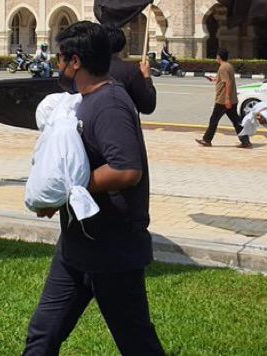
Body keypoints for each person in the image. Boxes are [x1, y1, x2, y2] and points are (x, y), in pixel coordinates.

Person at [24, 22, 164, 354]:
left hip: (113, 248)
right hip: (78, 246)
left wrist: (68, 192)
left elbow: (126, 170)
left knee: (137, 343)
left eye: (60, 58)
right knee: (43, 335)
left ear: (75, 62)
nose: (56, 65)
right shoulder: (83, 101)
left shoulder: (109, 103)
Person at [196, 49, 251, 148]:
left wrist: (227, 98)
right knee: (236, 120)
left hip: (223, 100)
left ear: (219, 57)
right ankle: (245, 141)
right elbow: (224, 79)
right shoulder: (228, 66)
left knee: (214, 120)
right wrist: (214, 79)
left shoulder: (223, 68)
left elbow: (228, 83)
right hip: (231, 99)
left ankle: (207, 140)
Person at [104, 24, 157, 115]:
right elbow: (148, 106)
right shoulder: (131, 71)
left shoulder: (87, 69)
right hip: (123, 124)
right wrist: (147, 77)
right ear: (122, 45)